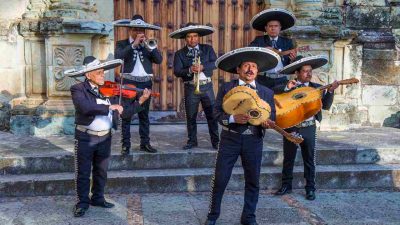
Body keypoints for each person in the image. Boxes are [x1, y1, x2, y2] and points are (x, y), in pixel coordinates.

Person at [67, 56, 151, 217]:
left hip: (105, 137)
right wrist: (108, 107)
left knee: (101, 170)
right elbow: (85, 108)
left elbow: (124, 111)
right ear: (88, 74)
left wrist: (140, 100)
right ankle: (82, 202)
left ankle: (98, 198)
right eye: (99, 73)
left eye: (103, 72)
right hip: (85, 137)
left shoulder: (109, 89)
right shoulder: (78, 89)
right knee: (83, 172)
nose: (102, 75)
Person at [205, 47, 279, 225]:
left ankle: (249, 217)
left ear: (257, 71)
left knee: (253, 180)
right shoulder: (227, 87)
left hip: (254, 140)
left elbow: (273, 116)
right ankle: (212, 216)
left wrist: (266, 122)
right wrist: (232, 118)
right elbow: (215, 113)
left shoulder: (266, 92)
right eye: (246, 65)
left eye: (253, 66)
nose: (250, 69)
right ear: (238, 70)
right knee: (220, 179)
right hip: (230, 139)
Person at [273, 55, 339, 200]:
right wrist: (286, 88)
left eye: (310, 71)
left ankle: (310, 188)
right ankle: (286, 186)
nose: (309, 74)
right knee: (288, 158)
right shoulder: (289, 85)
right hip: (291, 127)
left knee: (309, 159)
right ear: (297, 73)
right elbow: (274, 92)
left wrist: (331, 91)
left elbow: (326, 106)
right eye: (305, 71)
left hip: (309, 127)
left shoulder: (317, 88)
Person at [114, 14, 163, 154]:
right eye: (135, 29)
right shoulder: (122, 44)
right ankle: (125, 145)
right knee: (126, 114)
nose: (139, 32)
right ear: (130, 30)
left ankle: (145, 143)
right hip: (128, 82)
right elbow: (118, 57)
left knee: (144, 115)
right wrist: (133, 45)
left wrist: (151, 48)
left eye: (141, 30)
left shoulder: (148, 45)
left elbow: (159, 60)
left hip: (145, 83)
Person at [170, 23, 219, 150]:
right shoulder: (180, 53)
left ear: (199, 37)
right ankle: (192, 141)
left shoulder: (207, 49)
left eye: (195, 36)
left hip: (207, 86)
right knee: (191, 116)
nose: (193, 39)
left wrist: (203, 67)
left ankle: (216, 142)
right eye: (189, 36)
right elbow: (177, 71)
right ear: (185, 38)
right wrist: (190, 70)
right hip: (191, 88)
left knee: (212, 116)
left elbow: (215, 63)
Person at [249, 8, 297, 89]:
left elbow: (291, 65)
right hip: (263, 80)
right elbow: (250, 53)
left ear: (280, 28)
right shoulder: (259, 40)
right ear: (266, 28)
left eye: (276, 26)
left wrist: (292, 60)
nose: (273, 28)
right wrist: (264, 50)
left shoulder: (287, 42)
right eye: (270, 26)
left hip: (282, 80)